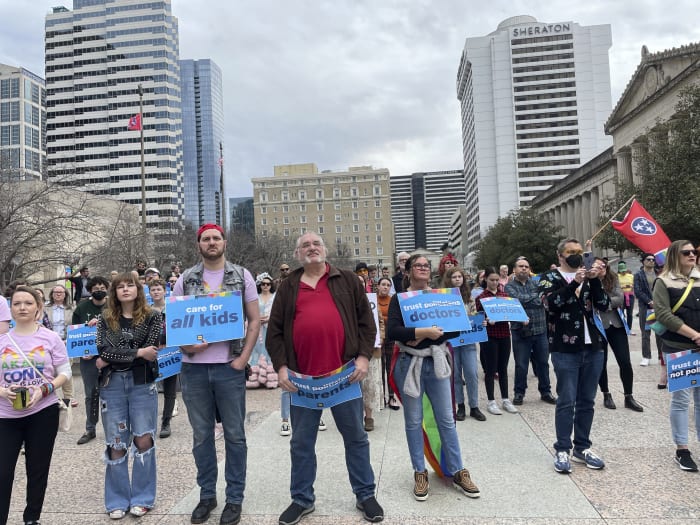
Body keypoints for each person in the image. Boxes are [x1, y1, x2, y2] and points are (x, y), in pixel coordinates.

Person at [267, 232, 384, 524]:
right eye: (305, 245)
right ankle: (302, 499)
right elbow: (275, 333)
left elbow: (367, 325)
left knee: (356, 438)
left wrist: (363, 358)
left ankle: (365, 495)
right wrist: (280, 367)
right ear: (297, 254)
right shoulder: (288, 286)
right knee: (301, 443)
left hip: (344, 376)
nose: (311, 248)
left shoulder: (347, 280)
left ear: (325, 249)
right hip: (302, 381)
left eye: (316, 243)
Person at [173, 223, 260, 525]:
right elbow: (175, 325)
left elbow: (253, 320)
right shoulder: (185, 279)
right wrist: (189, 347)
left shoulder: (242, 275)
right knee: (201, 437)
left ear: (224, 242)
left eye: (216, 238)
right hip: (194, 371)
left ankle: (234, 498)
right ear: (198, 244)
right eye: (206, 239)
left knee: (235, 436)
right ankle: (207, 495)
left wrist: (244, 358)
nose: (211, 242)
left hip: (229, 368)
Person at [388, 254, 480, 502]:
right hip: (410, 364)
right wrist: (422, 331)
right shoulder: (400, 299)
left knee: (446, 419)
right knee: (413, 421)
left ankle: (458, 470)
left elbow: (458, 326)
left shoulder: (442, 295)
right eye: (417, 265)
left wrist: (422, 335)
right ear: (408, 271)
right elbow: (393, 331)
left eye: (426, 266)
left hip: (437, 362)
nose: (423, 269)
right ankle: (420, 471)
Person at [0, 285, 71, 525]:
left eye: (28, 303)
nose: (22, 307)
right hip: (5, 416)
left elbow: (65, 372)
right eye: (17, 303)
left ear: (38, 307)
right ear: (10, 309)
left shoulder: (50, 338)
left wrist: (44, 390)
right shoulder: (2, 340)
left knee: (37, 470)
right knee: (3, 472)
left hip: (42, 413)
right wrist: (2, 392)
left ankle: (32, 519)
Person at [538, 238, 609, 474]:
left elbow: (604, 304)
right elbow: (550, 304)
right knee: (566, 400)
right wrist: (573, 284)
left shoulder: (589, 278)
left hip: (593, 346)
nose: (576, 255)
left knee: (587, 400)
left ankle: (582, 447)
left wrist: (595, 280)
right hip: (564, 347)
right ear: (560, 255)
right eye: (571, 252)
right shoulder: (549, 278)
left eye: (579, 252)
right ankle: (562, 448)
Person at [95, 272, 162, 519]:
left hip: (142, 383)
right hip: (112, 384)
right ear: (114, 292)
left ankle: (143, 498)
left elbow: (152, 350)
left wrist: (116, 356)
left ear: (138, 289)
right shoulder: (105, 318)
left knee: (144, 438)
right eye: (120, 286)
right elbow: (103, 351)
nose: (125, 290)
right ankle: (117, 500)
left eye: (129, 285)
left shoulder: (153, 317)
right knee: (116, 441)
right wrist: (137, 352)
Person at [651, 240, 700, 471]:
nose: (692, 255)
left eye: (694, 252)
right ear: (674, 255)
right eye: (686, 252)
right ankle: (682, 449)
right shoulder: (664, 280)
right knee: (681, 400)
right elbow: (663, 314)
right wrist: (694, 335)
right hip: (680, 348)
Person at [593, 257, 643, 413]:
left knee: (625, 361)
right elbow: (589, 301)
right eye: (598, 266)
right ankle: (606, 394)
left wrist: (603, 302)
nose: (601, 268)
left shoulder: (613, 278)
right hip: (597, 325)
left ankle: (629, 396)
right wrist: (605, 301)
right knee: (602, 362)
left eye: (603, 266)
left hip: (616, 324)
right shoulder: (587, 281)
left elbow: (620, 298)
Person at [505, 257, 556, 406]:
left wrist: (528, 300)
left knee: (543, 363)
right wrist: (534, 298)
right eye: (520, 266)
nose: (524, 269)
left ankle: (546, 392)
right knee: (521, 365)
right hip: (520, 331)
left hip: (540, 330)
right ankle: (519, 393)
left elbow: (542, 300)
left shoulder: (537, 282)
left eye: (526, 266)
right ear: (514, 270)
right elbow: (516, 300)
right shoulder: (509, 286)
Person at [443, 267, 486, 421]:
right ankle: (460, 405)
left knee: (472, 374)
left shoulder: (469, 297)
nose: (457, 279)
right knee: (454, 375)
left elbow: (474, 315)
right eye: (454, 277)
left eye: (459, 276)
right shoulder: (443, 298)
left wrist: (481, 322)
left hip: (468, 340)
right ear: (449, 279)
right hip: (452, 342)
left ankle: (474, 406)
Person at [73, 276, 110, 445]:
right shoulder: (81, 308)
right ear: (90, 290)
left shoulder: (113, 306)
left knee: (112, 393)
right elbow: (75, 333)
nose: (98, 290)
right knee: (91, 394)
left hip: (111, 357)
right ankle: (90, 429)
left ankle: (113, 428)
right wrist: (81, 352)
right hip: (88, 359)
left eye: (102, 287)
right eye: (95, 288)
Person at [476, 267, 516, 415]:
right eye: (491, 280)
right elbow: (479, 316)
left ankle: (506, 399)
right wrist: (486, 319)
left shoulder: (504, 295)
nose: (494, 282)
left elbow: (511, 312)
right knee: (491, 370)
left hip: (504, 334)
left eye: (496, 280)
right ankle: (491, 401)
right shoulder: (481, 297)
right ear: (485, 279)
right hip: (489, 336)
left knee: (503, 368)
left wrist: (520, 317)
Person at [148, 278, 179, 439]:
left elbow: (178, 327)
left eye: (159, 289)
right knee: (149, 388)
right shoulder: (146, 311)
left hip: (170, 351)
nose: (156, 292)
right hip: (152, 353)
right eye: (153, 290)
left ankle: (166, 422)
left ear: (164, 291)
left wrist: (166, 342)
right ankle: (148, 423)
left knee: (170, 389)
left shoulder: (172, 308)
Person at [45, 285, 77, 407]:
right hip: (49, 342)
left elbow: (76, 326)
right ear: (52, 294)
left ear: (65, 294)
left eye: (61, 292)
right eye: (56, 292)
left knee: (66, 369)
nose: (58, 294)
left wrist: (68, 340)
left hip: (66, 342)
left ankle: (69, 397)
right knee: (49, 369)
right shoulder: (45, 308)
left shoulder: (72, 308)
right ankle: (49, 397)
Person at [377, 277, 399, 411]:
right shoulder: (372, 300)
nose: (385, 287)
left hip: (390, 338)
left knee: (390, 368)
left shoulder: (393, 301)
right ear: (378, 286)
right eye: (383, 284)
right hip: (377, 339)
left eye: (388, 285)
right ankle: (381, 396)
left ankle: (391, 396)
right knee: (380, 368)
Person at [635, 252, 661, 367]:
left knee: (660, 332)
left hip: (659, 307)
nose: (651, 261)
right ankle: (646, 356)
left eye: (653, 260)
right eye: (648, 259)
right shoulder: (639, 275)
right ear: (643, 261)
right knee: (645, 333)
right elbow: (637, 291)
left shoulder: (659, 274)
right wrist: (649, 301)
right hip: (645, 307)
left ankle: (661, 356)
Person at [617, 262, 636, 334]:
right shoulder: (616, 276)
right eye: (621, 271)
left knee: (629, 313)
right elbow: (616, 287)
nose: (623, 272)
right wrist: (624, 287)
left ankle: (629, 328)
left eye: (624, 270)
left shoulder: (631, 276)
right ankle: (622, 328)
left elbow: (634, 285)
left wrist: (632, 287)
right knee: (621, 312)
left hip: (630, 296)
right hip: (621, 296)